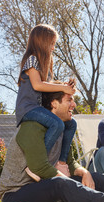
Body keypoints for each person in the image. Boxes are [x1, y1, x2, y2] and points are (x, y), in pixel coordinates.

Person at [15, 24, 76, 177]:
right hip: (28, 108)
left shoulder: (45, 64)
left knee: (71, 124)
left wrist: (63, 85)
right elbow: (37, 85)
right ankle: (38, 165)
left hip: (39, 108)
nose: (53, 48)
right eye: (52, 43)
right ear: (42, 42)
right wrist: (63, 89)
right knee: (56, 123)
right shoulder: (32, 60)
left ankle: (61, 162)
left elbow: (49, 86)